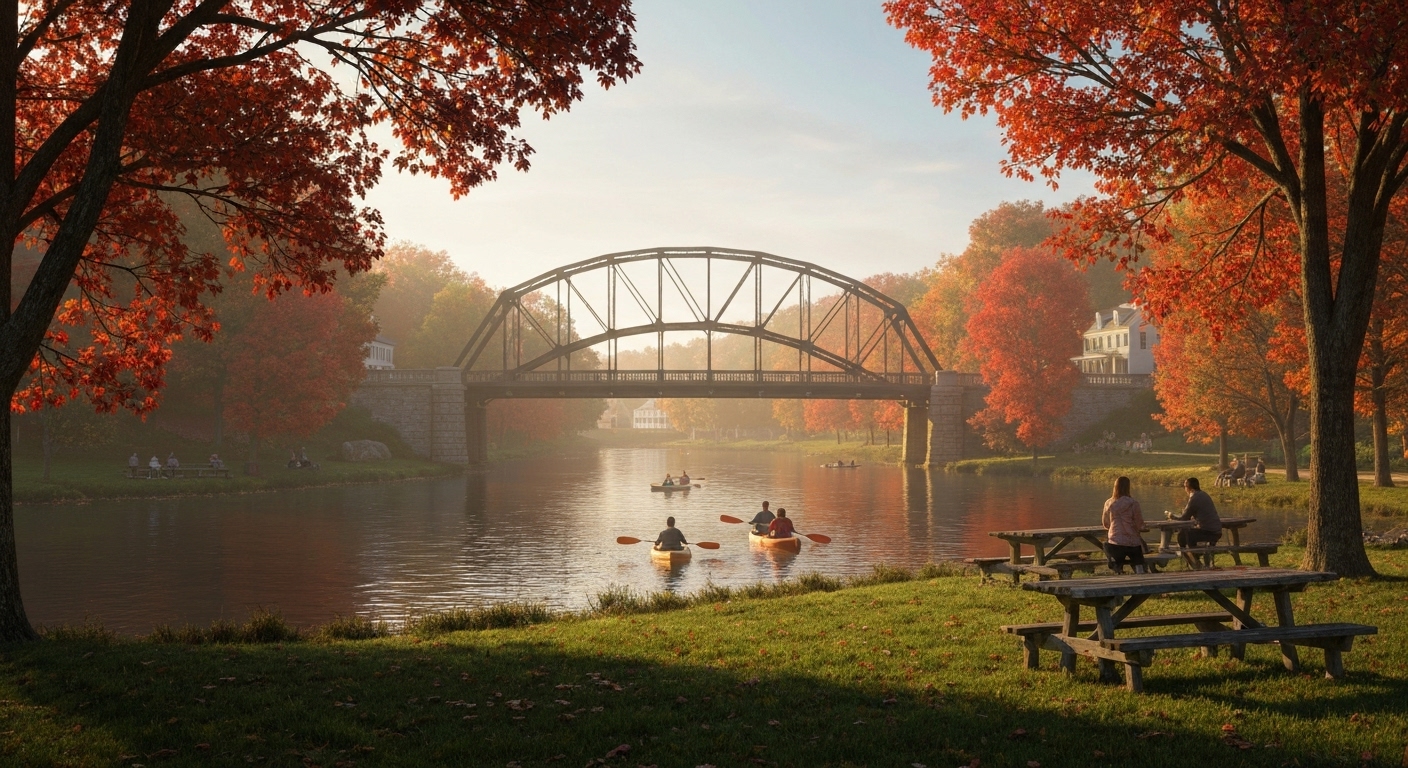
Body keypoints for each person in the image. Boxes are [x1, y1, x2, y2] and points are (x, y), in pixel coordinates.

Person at [1172, 477, 1222, 565]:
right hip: (1217, 530)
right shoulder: (1203, 494)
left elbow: (1184, 518)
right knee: (1189, 534)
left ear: (1189, 488)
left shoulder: (1194, 498)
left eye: (1185, 487)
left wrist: (1171, 516)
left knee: (1182, 535)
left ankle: (1195, 561)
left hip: (1209, 532)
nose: (1185, 489)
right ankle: (1196, 557)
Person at [1101, 476, 1146, 574]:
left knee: (1109, 550)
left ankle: (1118, 570)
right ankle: (1140, 573)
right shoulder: (1133, 503)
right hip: (1132, 543)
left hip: (1114, 542)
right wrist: (1142, 527)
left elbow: (1106, 524)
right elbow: (1139, 524)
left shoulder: (1109, 503)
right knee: (1138, 561)